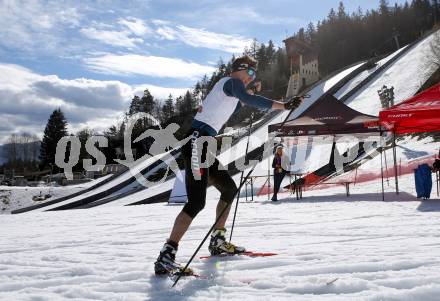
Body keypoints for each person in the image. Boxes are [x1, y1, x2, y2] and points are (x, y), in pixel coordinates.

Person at [154, 55, 304, 276]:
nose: (251, 78)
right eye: (251, 73)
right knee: (196, 203)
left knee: (229, 189)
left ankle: (218, 240)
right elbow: (247, 99)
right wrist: (282, 105)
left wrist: (250, 94)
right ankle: (166, 256)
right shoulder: (231, 82)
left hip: (202, 146)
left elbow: (237, 107)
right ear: (241, 70)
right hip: (197, 144)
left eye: (254, 75)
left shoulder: (230, 89)